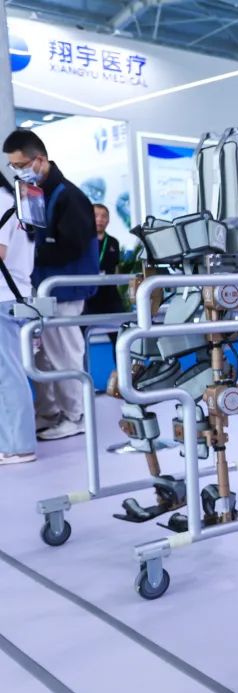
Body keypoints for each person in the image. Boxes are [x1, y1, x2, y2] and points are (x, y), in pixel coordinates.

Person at [4, 129, 99, 441]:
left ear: (40, 159)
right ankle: (48, 413)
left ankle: (76, 415)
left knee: (64, 354)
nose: (18, 171)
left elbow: (72, 246)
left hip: (64, 291)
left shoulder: (70, 196)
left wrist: (30, 251)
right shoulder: (32, 195)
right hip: (39, 291)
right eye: (12, 166)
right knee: (40, 357)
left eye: (21, 165)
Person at [0, 173, 37, 464]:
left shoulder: (2, 201)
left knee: (8, 374)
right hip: (15, 295)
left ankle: (18, 446)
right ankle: (11, 443)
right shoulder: (14, 201)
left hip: (3, 296)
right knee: (9, 372)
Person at [83, 203, 124, 346]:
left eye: (104, 216)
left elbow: (116, 268)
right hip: (88, 295)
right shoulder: (83, 241)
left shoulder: (113, 242)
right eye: (96, 216)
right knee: (80, 337)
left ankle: (122, 361)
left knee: (121, 336)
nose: (100, 219)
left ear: (108, 220)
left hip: (109, 295)